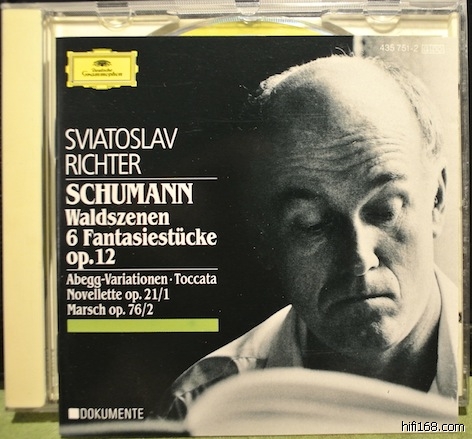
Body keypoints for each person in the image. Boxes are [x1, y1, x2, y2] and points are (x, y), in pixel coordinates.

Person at [161, 54, 458, 420]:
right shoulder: (201, 409)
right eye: (312, 224)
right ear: (264, 237)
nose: (359, 259)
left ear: (437, 199)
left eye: (385, 210)